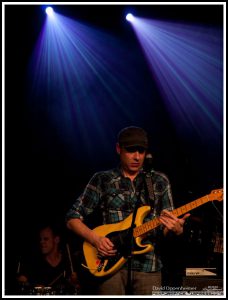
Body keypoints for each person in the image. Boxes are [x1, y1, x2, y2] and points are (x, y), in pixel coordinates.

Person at [66, 126, 190, 295]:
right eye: (131, 151)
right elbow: (72, 218)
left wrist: (176, 229)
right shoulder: (103, 179)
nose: (137, 156)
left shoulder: (159, 180)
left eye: (141, 151)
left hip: (148, 265)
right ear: (119, 149)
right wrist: (96, 240)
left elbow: (165, 227)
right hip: (110, 265)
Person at [16, 223, 81, 295]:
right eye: (40, 239)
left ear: (56, 240)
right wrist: (35, 286)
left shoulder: (69, 261)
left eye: (46, 239)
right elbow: (21, 279)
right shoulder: (35, 261)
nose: (41, 242)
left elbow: (78, 286)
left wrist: (76, 284)